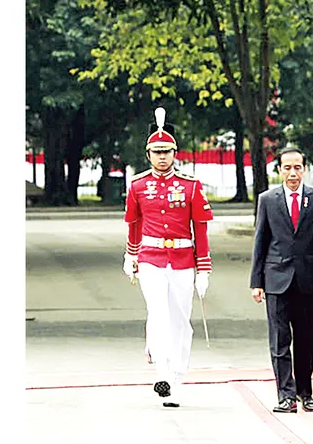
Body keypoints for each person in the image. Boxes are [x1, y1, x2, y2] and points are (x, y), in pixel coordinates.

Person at [122, 107, 214, 407]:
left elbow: (200, 229)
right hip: (151, 257)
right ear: (148, 154)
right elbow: (134, 223)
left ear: (175, 153)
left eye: (167, 151)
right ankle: (162, 373)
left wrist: (204, 269)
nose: (162, 157)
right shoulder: (137, 185)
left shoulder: (190, 186)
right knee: (158, 311)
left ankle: (177, 375)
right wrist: (130, 255)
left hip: (184, 259)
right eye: (156, 151)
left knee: (180, 318)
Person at [250, 147, 313, 414]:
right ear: (279, 170)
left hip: (308, 279)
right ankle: (285, 394)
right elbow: (260, 241)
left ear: (304, 169)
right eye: (287, 168)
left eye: (297, 167)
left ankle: (305, 392)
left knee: (307, 337)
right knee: (279, 339)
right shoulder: (267, 199)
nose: (292, 173)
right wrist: (257, 280)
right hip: (276, 278)